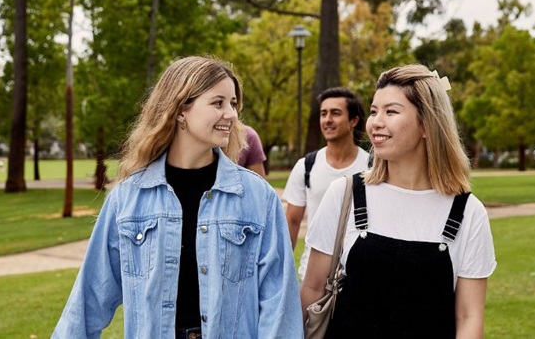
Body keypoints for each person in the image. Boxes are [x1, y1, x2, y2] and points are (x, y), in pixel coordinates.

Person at [51, 56, 303, 338]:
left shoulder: (258, 198)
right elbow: (88, 299)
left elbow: (279, 305)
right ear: (181, 109)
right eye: (218, 103)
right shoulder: (127, 199)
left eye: (233, 104)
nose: (231, 114)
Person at [301, 64, 496, 338]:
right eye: (373, 111)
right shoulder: (345, 194)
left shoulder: (468, 212)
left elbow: (469, 317)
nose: (375, 122)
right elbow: (312, 289)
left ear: (427, 124)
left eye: (390, 111)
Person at [282, 87, 369, 281]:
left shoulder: (372, 166)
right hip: (311, 275)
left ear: (353, 121)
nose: (327, 119)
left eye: (335, 113)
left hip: (358, 276)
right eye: (323, 113)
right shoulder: (306, 166)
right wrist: (281, 270)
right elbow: (292, 221)